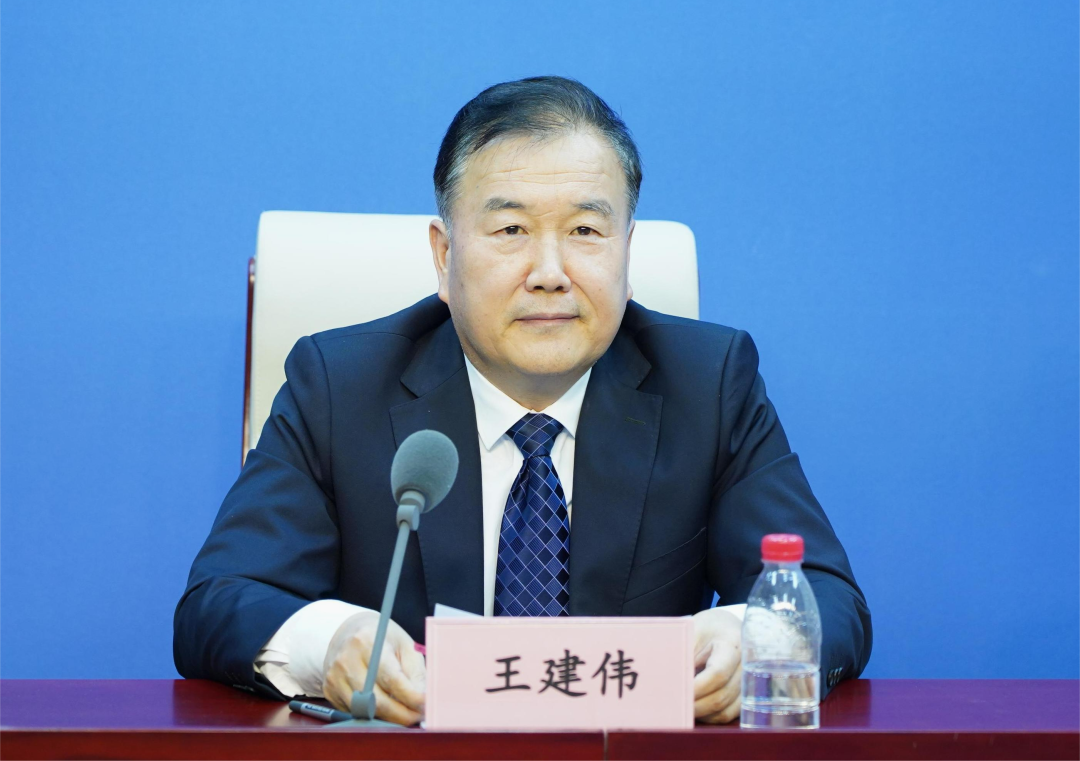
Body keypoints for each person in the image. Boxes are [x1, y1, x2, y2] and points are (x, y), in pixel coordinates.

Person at [174, 76, 872, 726]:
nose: (550, 273)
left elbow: (827, 597)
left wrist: (754, 636)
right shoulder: (340, 386)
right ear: (443, 255)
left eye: (586, 231)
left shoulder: (707, 383)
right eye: (510, 231)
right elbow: (219, 601)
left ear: (627, 251)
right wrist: (331, 642)